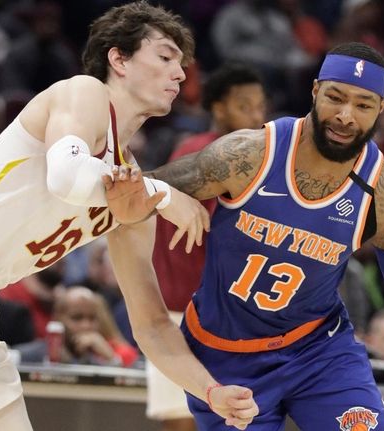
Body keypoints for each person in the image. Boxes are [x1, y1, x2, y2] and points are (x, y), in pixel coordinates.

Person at [0, 3, 257, 431]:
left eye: (183, 64)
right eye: (165, 56)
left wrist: (210, 391)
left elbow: (152, 325)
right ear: (118, 58)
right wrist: (163, 193)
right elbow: (66, 176)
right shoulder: (83, 93)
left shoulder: (130, 189)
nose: (180, 74)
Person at [127, 41, 384, 429]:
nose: (346, 115)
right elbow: (138, 191)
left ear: (381, 107)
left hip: (318, 351)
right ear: (315, 91)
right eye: (336, 97)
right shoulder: (248, 155)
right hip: (224, 355)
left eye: (362, 104)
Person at [149, 63, 265, 431]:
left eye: (261, 106)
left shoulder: (187, 149)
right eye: (245, 106)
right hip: (202, 315)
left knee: (183, 421)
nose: (257, 115)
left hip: (176, 309)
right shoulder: (222, 160)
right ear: (218, 108)